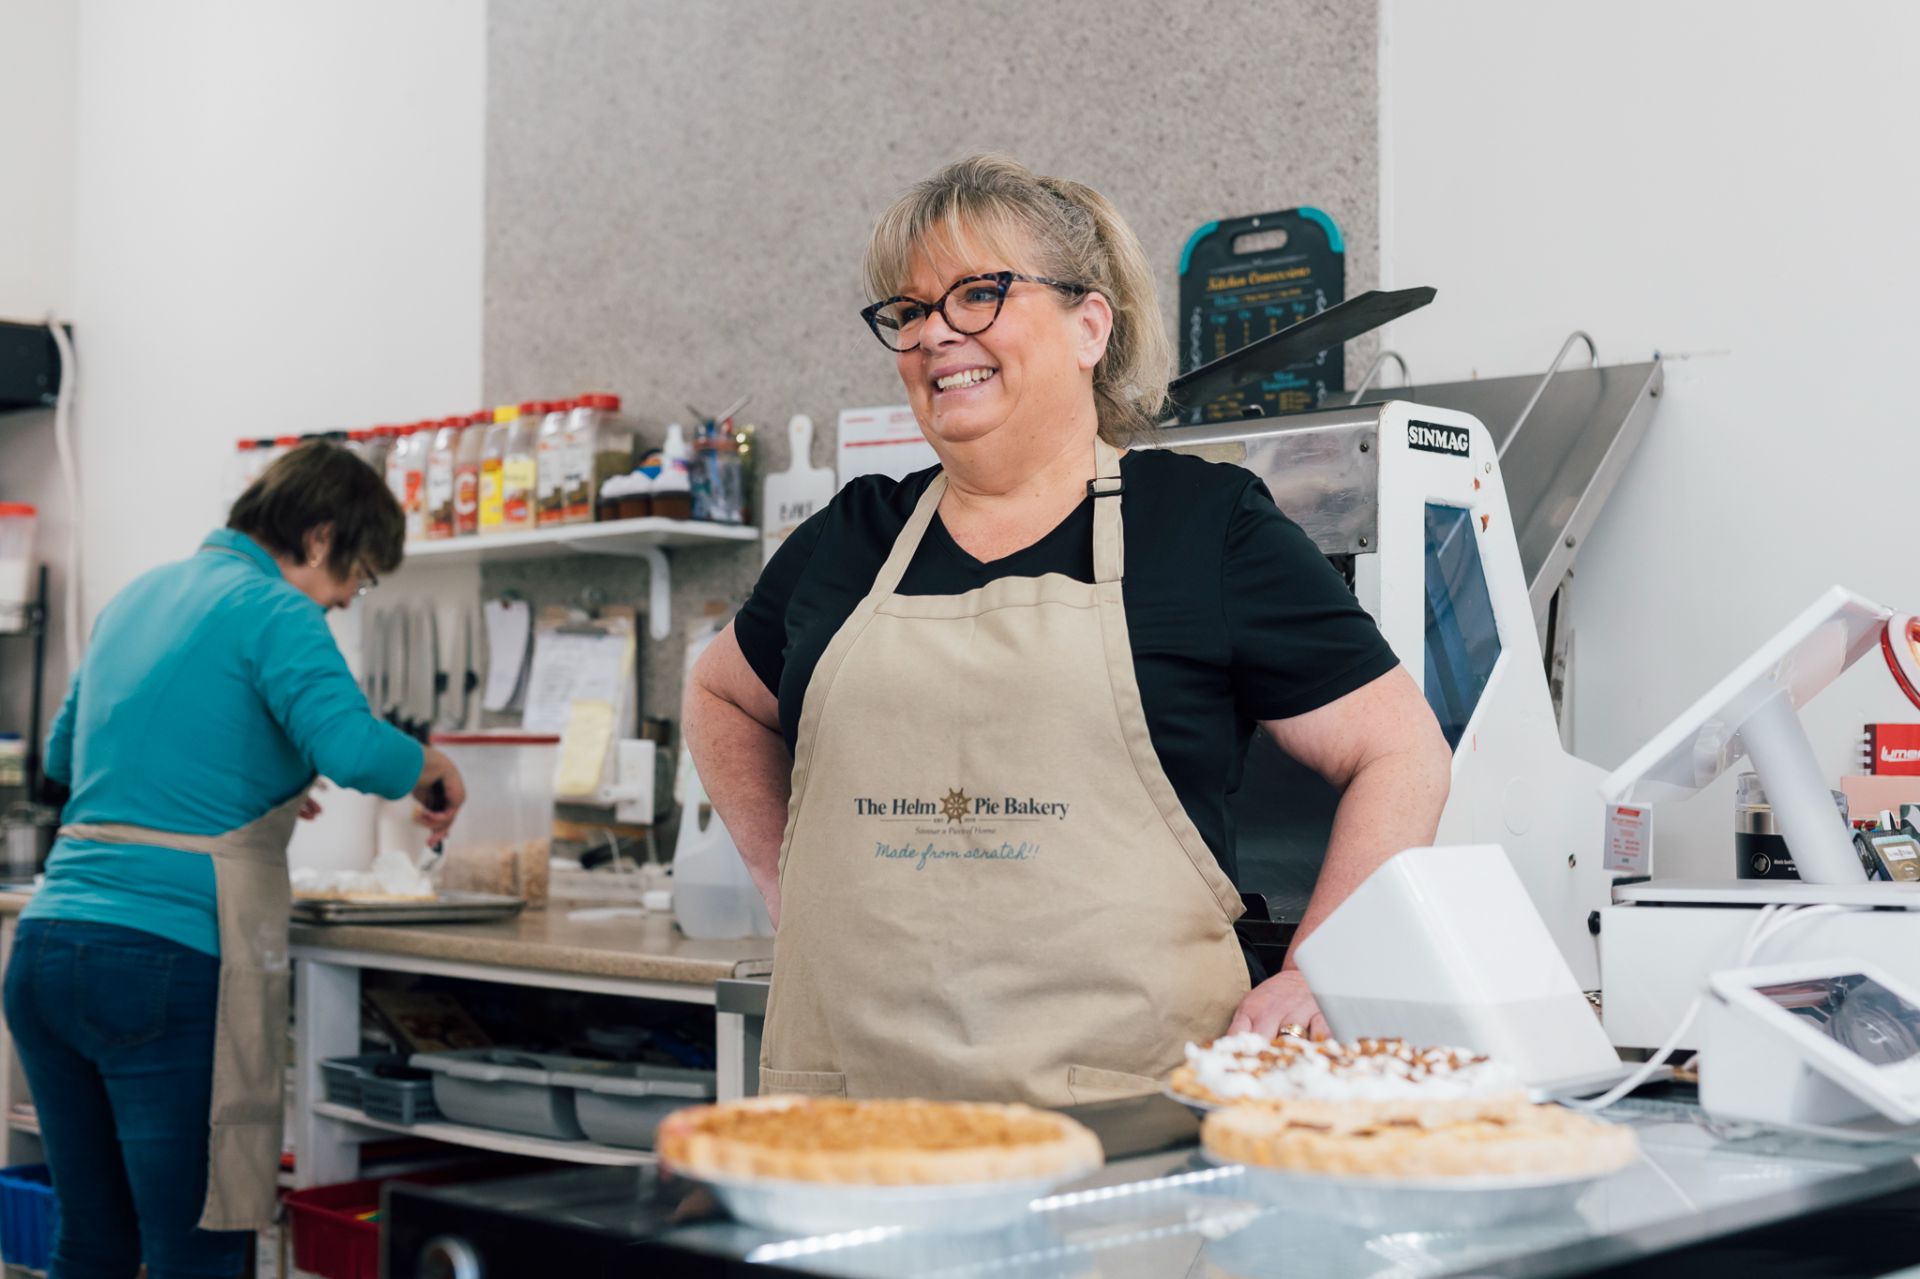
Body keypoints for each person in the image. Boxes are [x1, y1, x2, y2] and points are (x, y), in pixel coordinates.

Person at [684, 154, 1451, 1106]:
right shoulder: (851, 538)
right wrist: (785, 879)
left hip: (1116, 1118)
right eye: (910, 310)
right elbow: (719, 694)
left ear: (1090, 325)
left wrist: (1320, 964)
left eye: (979, 293)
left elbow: (1401, 749)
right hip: (848, 1113)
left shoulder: (1203, 528)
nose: (935, 333)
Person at [4, 441, 466, 1277]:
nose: (344, 601)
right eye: (357, 579)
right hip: (162, 960)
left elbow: (65, 759)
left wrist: (256, 774)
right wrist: (431, 765)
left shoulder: (137, 596)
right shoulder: (276, 608)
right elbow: (353, 748)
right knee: (200, 1249)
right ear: (320, 538)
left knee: (91, 1242)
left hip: (45, 948)